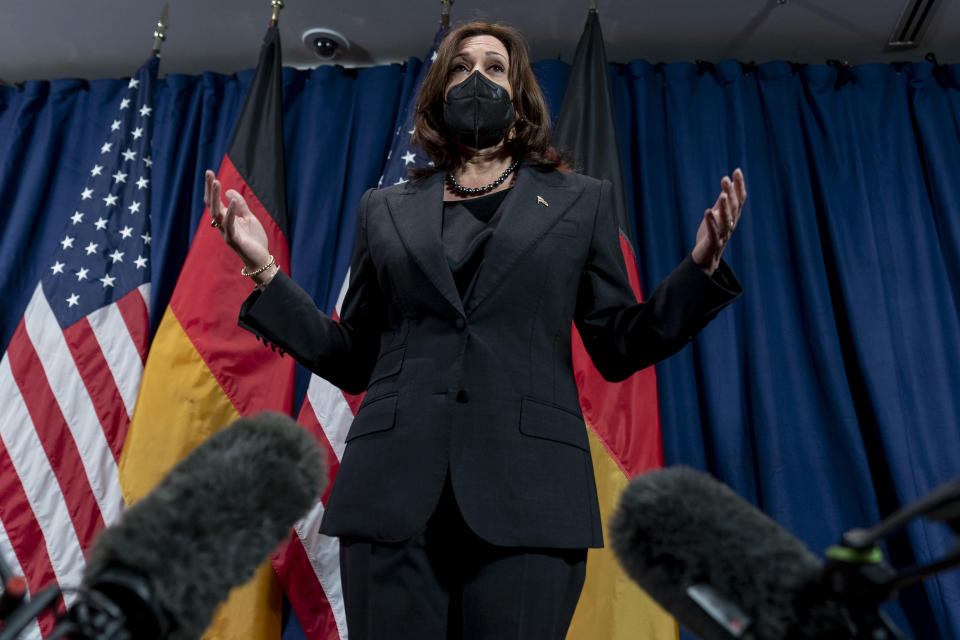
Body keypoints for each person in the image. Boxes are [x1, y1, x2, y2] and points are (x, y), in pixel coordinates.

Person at [204, 21, 745, 640]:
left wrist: (697, 273)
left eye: (495, 67)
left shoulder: (580, 201)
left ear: (520, 100)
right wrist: (262, 267)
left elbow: (619, 345)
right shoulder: (384, 209)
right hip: (391, 495)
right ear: (437, 94)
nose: (477, 78)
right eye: (461, 67)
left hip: (529, 496)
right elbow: (354, 358)